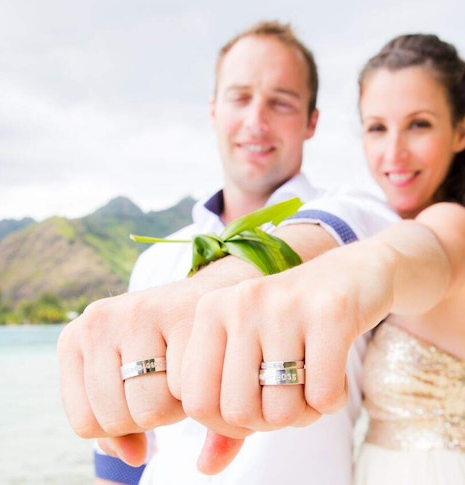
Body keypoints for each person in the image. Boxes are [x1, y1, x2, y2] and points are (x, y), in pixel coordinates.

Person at [179, 34, 465, 484]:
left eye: (419, 125)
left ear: (462, 131)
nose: (394, 153)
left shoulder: (454, 226)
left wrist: (340, 277)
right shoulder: (408, 223)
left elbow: (403, 257)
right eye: (377, 127)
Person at [78, 20, 396, 485]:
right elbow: (122, 454)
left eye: (281, 101)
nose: (256, 120)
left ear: (311, 121)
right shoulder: (156, 260)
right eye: (240, 97)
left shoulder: (355, 217)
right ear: (213, 110)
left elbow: (360, 232)